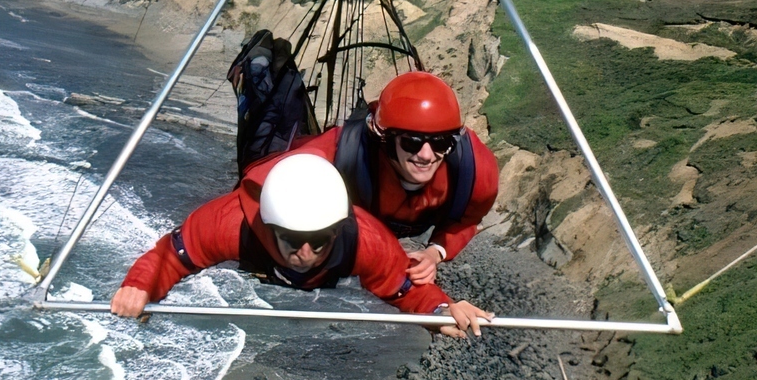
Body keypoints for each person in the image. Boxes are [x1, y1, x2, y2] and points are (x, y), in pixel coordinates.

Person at [109, 151, 493, 338]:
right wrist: (141, 286)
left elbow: (405, 287)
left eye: (319, 242)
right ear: (271, 227)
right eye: (292, 241)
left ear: (337, 230)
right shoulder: (229, 223)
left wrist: (442, 308)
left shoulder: (366, 239)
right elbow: (172, 256)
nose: (305, 254)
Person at [251, 71, 498, 286]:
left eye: (440, 143)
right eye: (411, 142)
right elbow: (258, 187)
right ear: (386, 140)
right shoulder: (338, 153)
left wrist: (434, 253)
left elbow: (468, 220)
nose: (426, 155)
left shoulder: (475, 172)